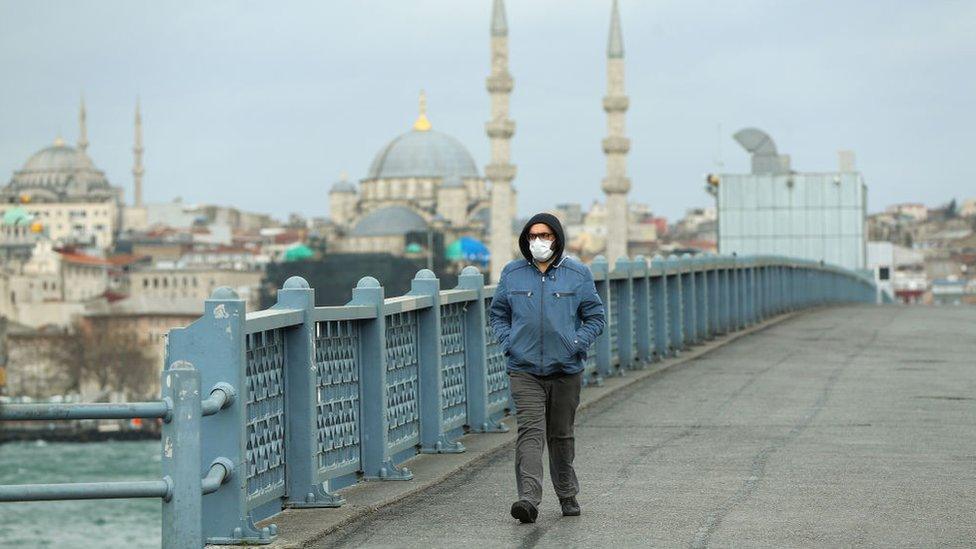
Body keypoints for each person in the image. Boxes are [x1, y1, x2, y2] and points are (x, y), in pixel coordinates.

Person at [489, 212, 606, 523]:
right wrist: (509, 341)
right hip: (524, 369)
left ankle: (567, 494)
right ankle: (528, 499)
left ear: (557, 238)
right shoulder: (512, 274)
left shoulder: (577, 274)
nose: (538, 241)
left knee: (561, 435)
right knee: (530, 432)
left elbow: (596, 318)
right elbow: (498, 315)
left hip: (566, 370)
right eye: (533, 236)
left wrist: (576, 343)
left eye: (545, 235)